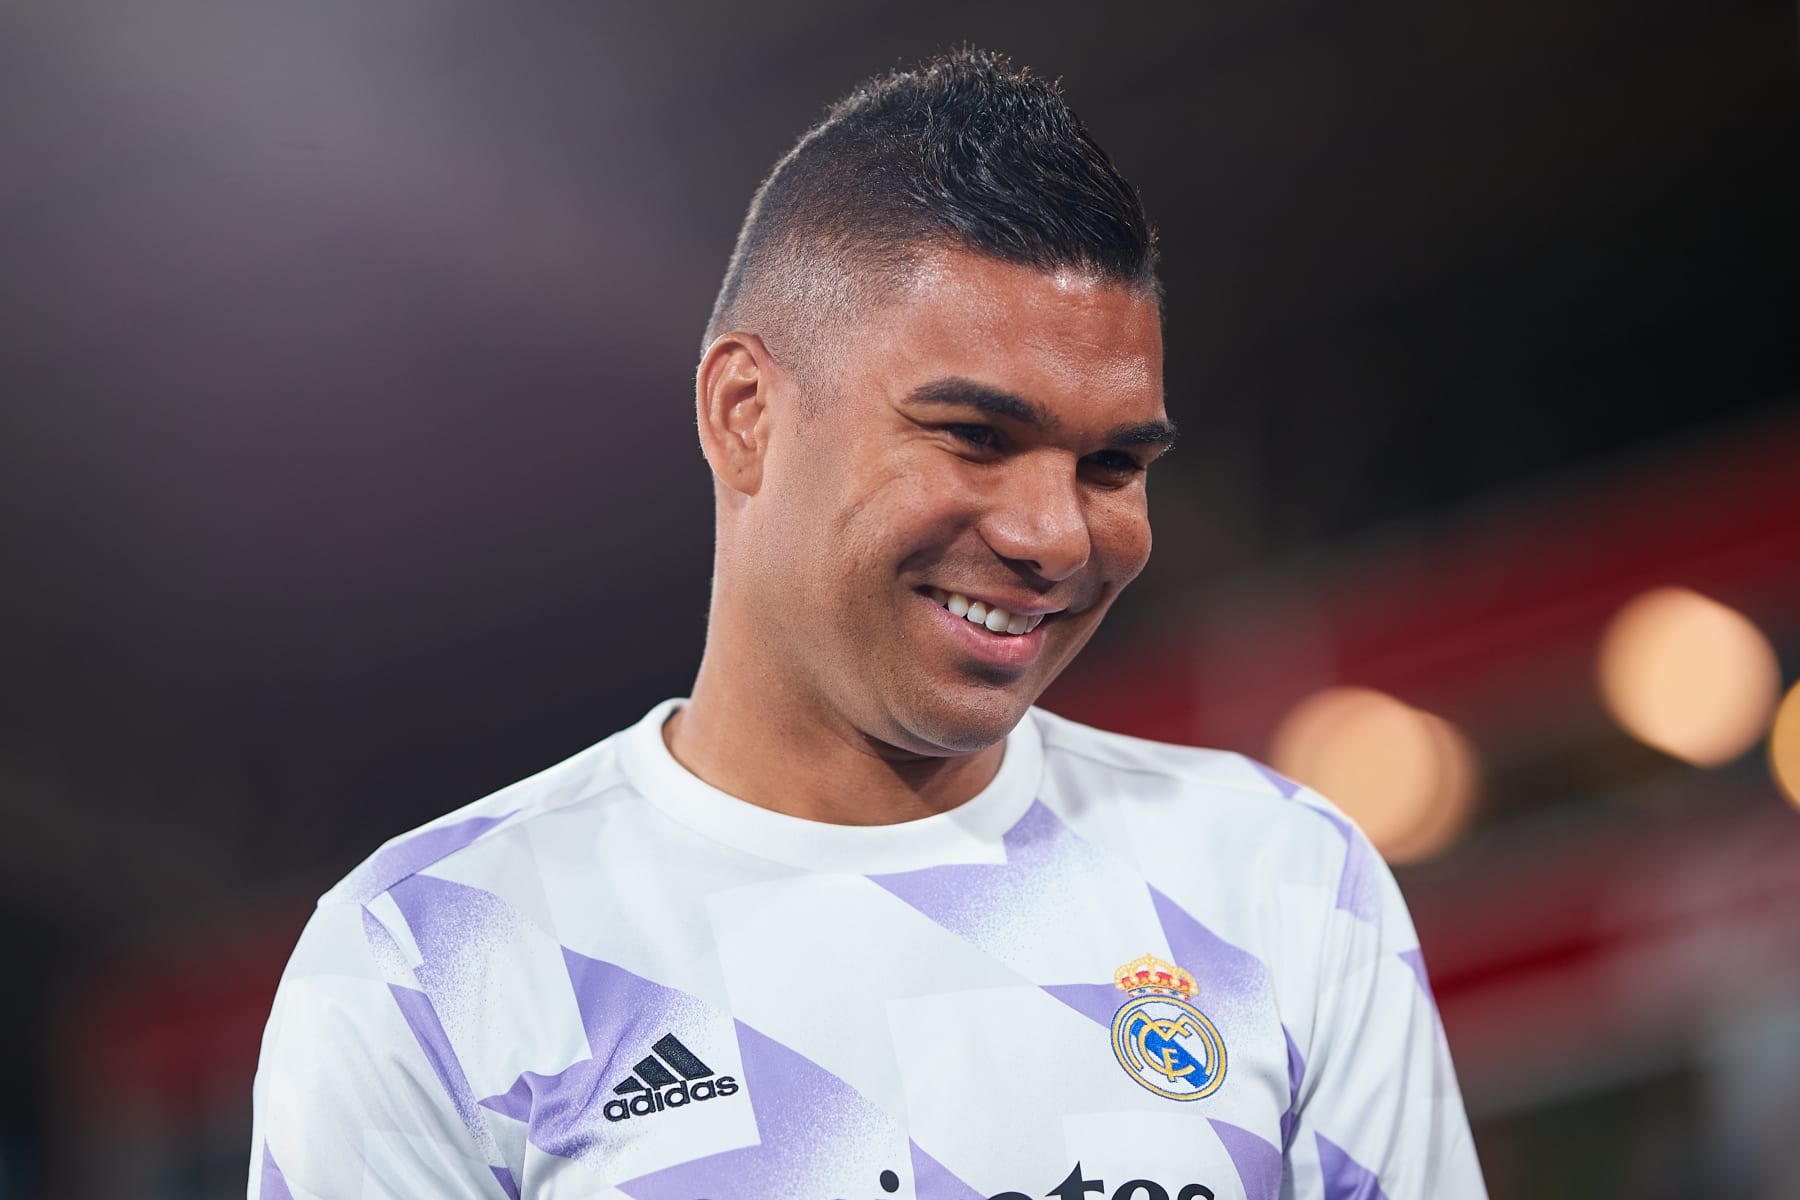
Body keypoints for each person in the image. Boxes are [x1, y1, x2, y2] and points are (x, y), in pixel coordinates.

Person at [249, 48, 1486, 1200]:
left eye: (1112, 462)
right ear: (746, 414)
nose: (1056, 534)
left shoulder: (1280, 880)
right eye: (976, 438)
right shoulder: (427, 958)